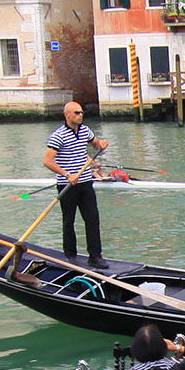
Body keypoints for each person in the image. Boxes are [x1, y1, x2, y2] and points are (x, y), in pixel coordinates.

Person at [44, 100, 108, 262]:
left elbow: (95, 144)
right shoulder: (58, 135)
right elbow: (48, 161)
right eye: (77, 113)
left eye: (81, 113)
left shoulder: (85, 130)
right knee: (68, 221)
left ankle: (95, 256)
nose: (81, 116)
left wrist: (101, 143)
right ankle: (70, 256)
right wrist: (67, 175)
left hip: (86, 183)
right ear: (67, 115)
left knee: (93, 219)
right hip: (67, 185)